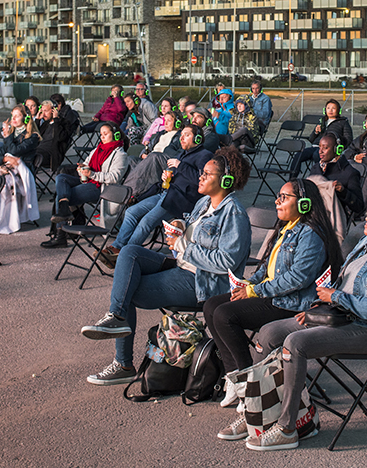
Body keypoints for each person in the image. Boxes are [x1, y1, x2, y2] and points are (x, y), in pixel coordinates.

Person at [244, 196, 367, 451]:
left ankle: (288, 427)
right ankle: (259, 411)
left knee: (295, 343)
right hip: (336, 316)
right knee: (269, 332)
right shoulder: (364, 245)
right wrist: (318, 309)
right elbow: (342, 285)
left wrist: (335, 297)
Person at [79, 146, 252, 387]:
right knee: (129, 252)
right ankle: (117, 317)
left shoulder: (233, 214)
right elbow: (190, 226)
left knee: (128, 289)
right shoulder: (204, 204)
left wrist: (184, 246)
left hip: (200, 282)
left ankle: (123, 364)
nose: (200, 177)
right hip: (182, 266)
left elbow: (227, 262)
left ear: (226, 180)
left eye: (207, 174)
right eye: (202, 172)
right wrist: (181, 225)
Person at [205, 178, 343, 417]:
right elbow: (266, 268)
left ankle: (250, 382)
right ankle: (234, 377)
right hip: (273, 294)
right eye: (278, 196)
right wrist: (250, 283)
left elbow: (297, 279)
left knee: (225, 315)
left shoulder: (310, 233)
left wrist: (255, 291)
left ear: (304, 204)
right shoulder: (287, 228)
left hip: (292, 304)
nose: (277, 201)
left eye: (284, 197)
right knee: (212, 305)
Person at [99, 124, 215, 265]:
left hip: (179, 199)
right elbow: (180, 175)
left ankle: (125, 255)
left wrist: (180, 165)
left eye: (186, 135)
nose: (182, 138)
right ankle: (117, 247)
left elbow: (200, 180)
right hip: (166, 192)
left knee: (146, 222)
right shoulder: (183, 154)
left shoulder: (205, 155)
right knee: (131, 212)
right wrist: (168, 177)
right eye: (181, 135)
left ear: (197, 139)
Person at [41, 122, 129, 248]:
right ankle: (64, 209)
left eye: (105, 134)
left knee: (62, 196)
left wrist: (92, 174)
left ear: (115, 135)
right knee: (61, 177)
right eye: (101, 134)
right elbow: (87, 163)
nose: (102, 137)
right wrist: (82, 168)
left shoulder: (120, 154)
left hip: (101, 188)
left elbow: (114, 178)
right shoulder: (97, 149)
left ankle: (60, 235)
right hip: (88, 181)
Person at [308, 133, 363, 222]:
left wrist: (343, 191)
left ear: (337, 150)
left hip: (332, 219)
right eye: (319, 147)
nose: (320, 151)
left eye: (325, 148)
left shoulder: (349, 173)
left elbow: (359, 206)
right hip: (312, 215)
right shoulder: (316, 168)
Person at [34, 100, 71, 171]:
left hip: (51, 155)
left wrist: (56, 119)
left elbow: (59, 137)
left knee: (28, 156)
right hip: (37, 150)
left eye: (46, 111)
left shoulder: (64, 123)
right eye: (42, 111)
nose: (43, 114)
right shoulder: (46, 124)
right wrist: (37, 120)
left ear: (54, 110)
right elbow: (34, 136)